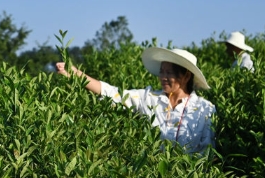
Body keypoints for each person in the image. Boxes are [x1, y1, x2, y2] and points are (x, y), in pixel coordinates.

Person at [55, 47, 216, 154]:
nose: (163, 78)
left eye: (169, 73)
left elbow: (207, 150)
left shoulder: (204, 108)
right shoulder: (149, 98)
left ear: (186, 76)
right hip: (154, 175)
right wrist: (76, 74)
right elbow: (114, 94)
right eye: (162, 72)